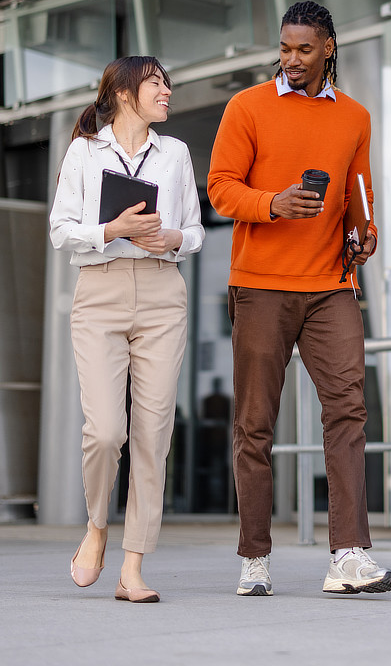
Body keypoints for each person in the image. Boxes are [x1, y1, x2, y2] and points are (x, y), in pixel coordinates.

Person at [207, 0, 391, 597]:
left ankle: (347, 556)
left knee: (348, 412)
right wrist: (273, 205)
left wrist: (364, 236)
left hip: (331, 286)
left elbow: (358, 195)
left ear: (328, 48)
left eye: (303, 50)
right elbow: (220, 189)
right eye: (284, 48)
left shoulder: (356, 118)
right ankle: (255, 558)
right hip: (261, 285)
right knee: (255, 424)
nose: (290, 59)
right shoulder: (247, 107)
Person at [50, 56, 204, 603]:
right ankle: (96, 527)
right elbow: (60, 230)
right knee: (106, 431)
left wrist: (172, 240)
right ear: (121, 94)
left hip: (163, 292)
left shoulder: (177, 153)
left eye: (167, 82)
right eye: (155, 83)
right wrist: (111, 228)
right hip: (100, 291)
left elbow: (195, 230)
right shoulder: (84, 152)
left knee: (153, 435)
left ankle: (133, 565)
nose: (167, 91)